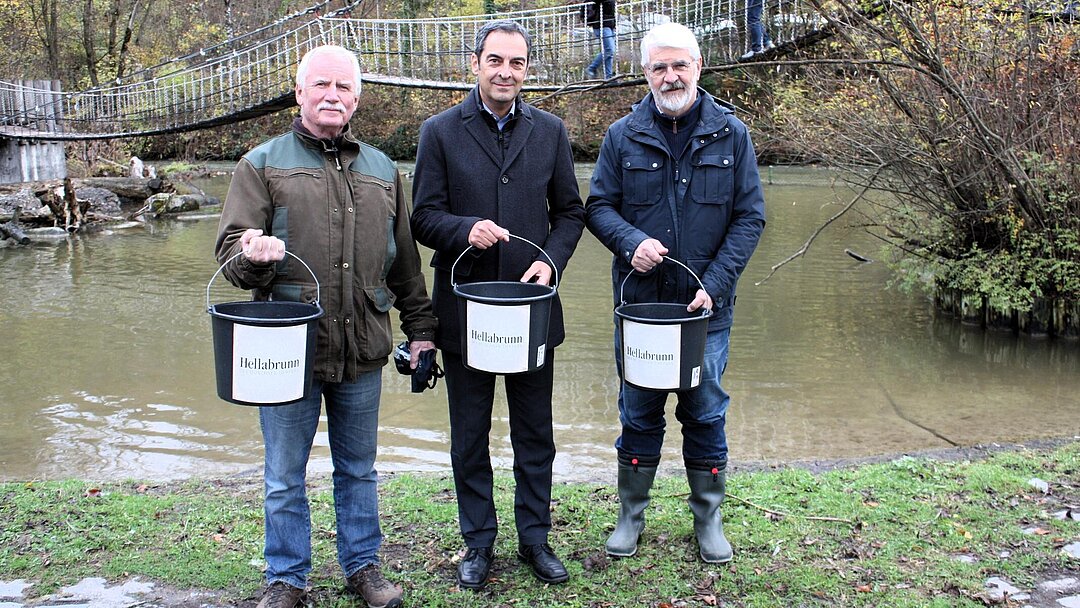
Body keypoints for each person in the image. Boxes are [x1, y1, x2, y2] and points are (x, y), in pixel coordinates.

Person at [214, 44, 437, 608]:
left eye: (343, 87)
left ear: (357, 98)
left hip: (363, 344)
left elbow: (406, 263)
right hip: (286, 351)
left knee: (358, 470)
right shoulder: (260, 163)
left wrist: (424, 330)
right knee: (284, 474)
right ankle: (286, 578)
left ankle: (363, 568)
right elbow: (229, 259)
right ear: (299, 93)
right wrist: (253, 253)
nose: (332, 95)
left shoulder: (385, 170)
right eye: (321, 85)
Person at [410, 20, 585, 591]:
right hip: (464, 312)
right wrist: (466, 230)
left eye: (516, 62)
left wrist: (551, 262)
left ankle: (535, 539)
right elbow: (423, 218)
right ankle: (478, 543)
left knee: (536, 432)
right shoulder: (439, 131)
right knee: (469, 434)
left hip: (532, 308)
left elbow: (571, 212)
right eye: (494, 61)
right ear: (476, 64)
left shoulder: (552, 131)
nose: (505, 72)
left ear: (526, 69)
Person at [584, 22, 766, 564]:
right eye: (659, 67)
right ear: (645, 74)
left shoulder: (732, 134)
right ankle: (629, 518)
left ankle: (708, 519)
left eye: (679, 65)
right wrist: (629, 241)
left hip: (705, 311)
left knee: (705, 411)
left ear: (698, 66)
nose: (670, 76)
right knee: (638, 412)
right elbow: (597, 207)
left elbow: (750, 218)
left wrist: (714, 285)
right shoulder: (622, 136)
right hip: (640, 307)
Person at [581, 0, 617, 79]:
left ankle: (609, 77)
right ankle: (591, 68)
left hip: (609, 24)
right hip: (601, 24)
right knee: (609, 50)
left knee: (609, 53)